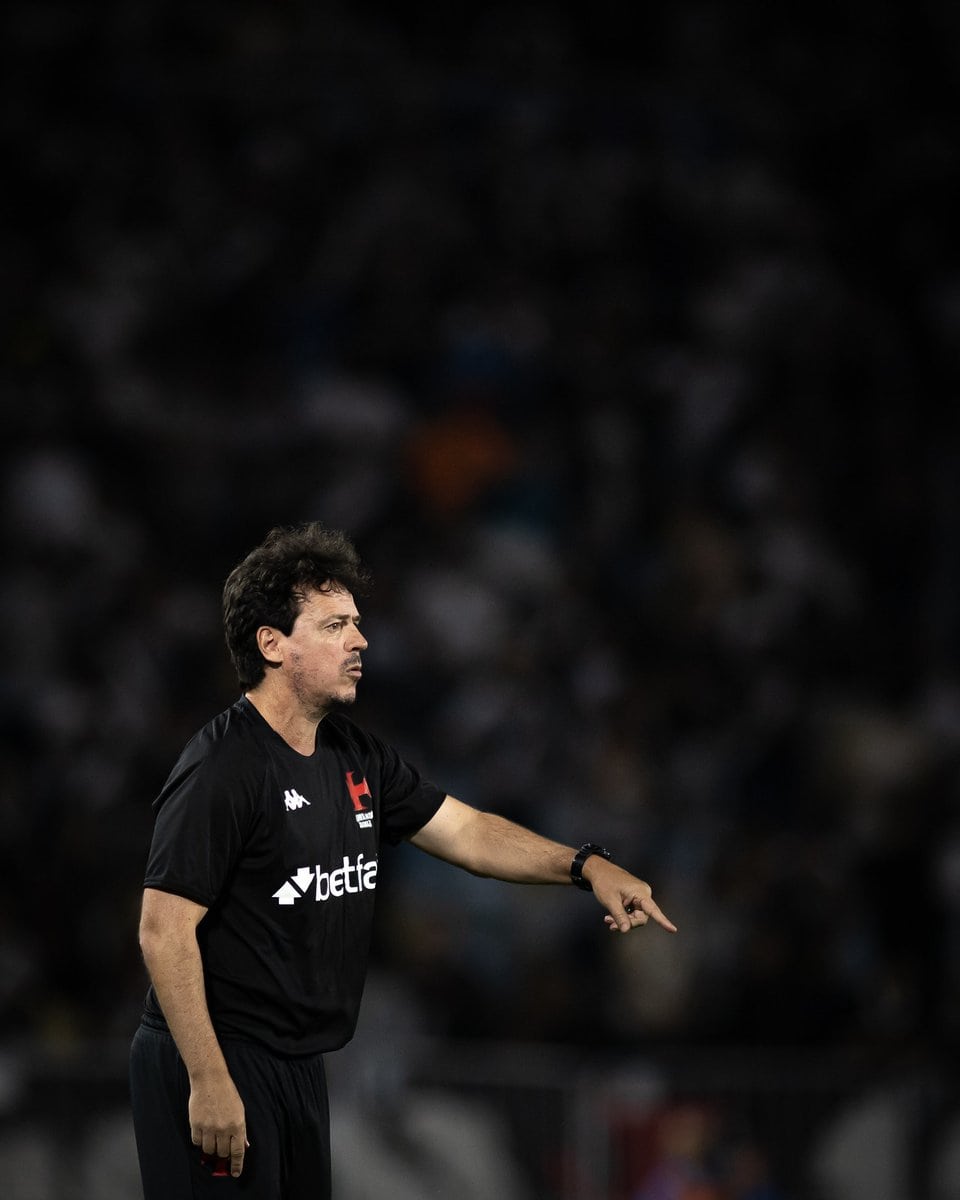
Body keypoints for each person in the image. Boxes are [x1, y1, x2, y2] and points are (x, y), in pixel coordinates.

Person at [129, 521, 677, 1200]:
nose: (359, 641)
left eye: (355, 623)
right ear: (272, 644)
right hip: (212, 1055)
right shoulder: (223, 767)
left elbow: (469, 833)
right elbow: (162, 930)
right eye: (333, 626)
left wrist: (587, 865)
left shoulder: (357, 756)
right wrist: (209, 1079)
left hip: (298, 1062)